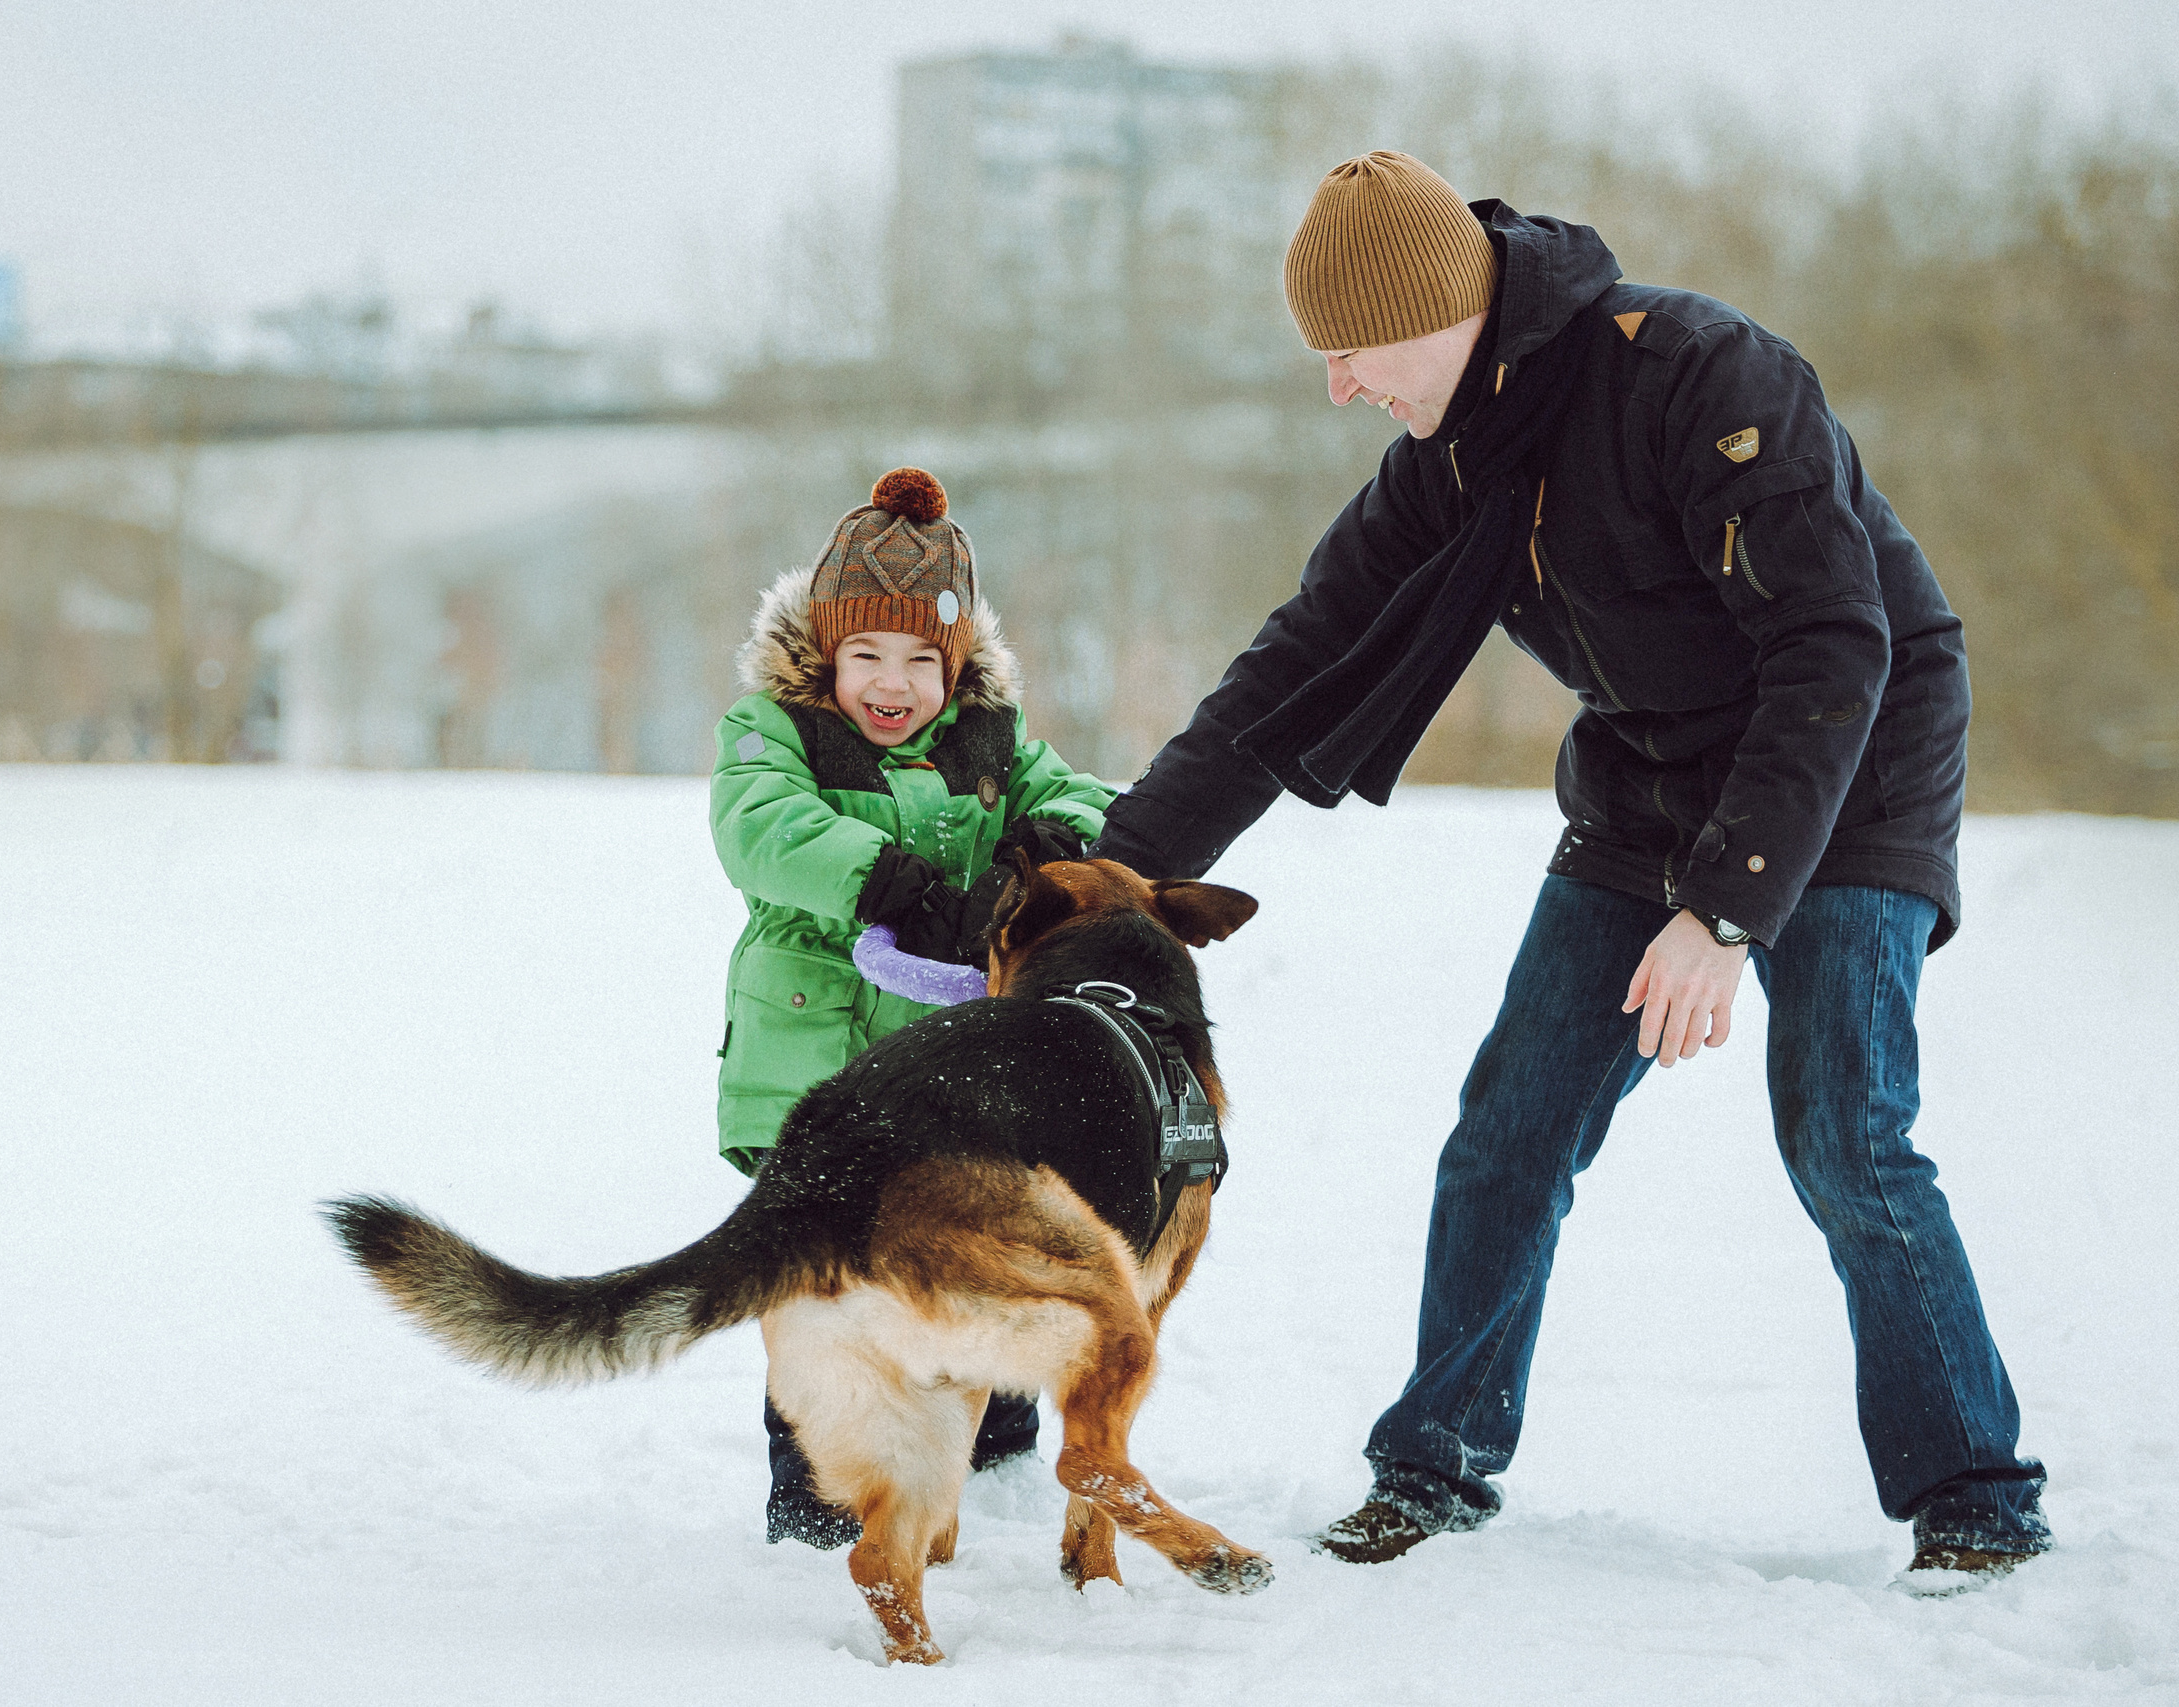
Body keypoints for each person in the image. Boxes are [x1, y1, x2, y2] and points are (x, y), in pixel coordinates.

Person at [1090, 153, 2051, 1584]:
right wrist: (1110, 878)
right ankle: (1435, 1463)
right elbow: (1287, 677)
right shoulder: (1451, 464)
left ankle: (1974, 1490)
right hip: (1652, 779)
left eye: (1350, 352)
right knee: (1510, 1128)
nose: (1338, 386)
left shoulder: (1702, 376)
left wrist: (1726, 908)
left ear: (1438, 312)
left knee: (1845, 1128)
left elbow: (1834, 648)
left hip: (1846, 768)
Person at [710, 465, 1117, 1546]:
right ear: (824, 656)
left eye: (917, 663)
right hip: (818, 1061)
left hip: (956, 1084)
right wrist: (885, 877)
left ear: (955, 666)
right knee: (825, 1288)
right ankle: (816, 1501)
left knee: (985, 1249)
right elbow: (759, 825)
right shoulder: (774, 735)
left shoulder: (990, 739)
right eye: (865, 658)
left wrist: (1052, 844)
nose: (891, 685)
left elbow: (1080, 794)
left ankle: (993, 1451)